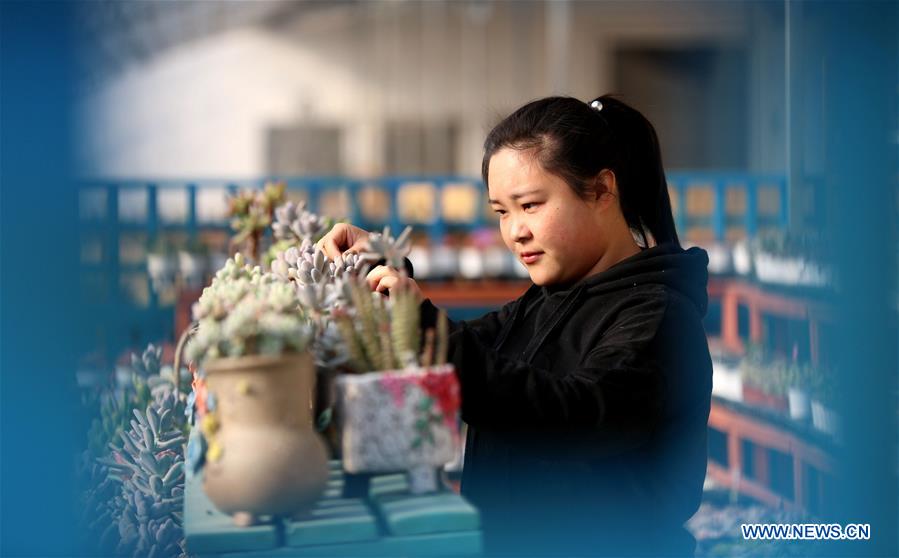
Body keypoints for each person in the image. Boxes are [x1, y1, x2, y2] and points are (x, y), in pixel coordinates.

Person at [319, 95, 713, 557]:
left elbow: (575, 415)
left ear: (603, 190)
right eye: (502, 212)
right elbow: (470, 357)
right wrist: (385, 268)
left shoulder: (659, 319)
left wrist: (420, 321)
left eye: (530, 205)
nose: (514, 231)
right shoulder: (544, 303)